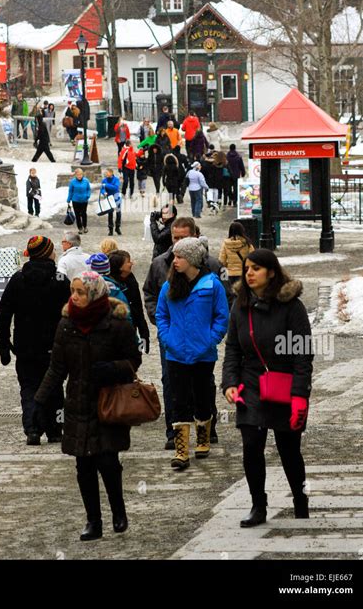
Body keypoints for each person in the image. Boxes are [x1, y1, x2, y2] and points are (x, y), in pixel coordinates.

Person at [34, 270, 141, 540]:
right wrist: (39, 401)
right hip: (78, 403)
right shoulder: (66, 324)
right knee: (84, 466)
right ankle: (93, 521)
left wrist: (112, 369)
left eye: (80, 292)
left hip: (107, 403)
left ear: (94, 294)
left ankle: (119, 511)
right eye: (73, 291)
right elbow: (56, 368)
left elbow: (133, 362)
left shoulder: (117, 324)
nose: (75, 297)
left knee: (108, 461)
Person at [222, 249, 313, 526]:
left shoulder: (291, 307)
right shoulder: (241, 305)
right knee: (251, 445)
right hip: (251, 384)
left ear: (271, 272)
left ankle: (300, 498)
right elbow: (232, 349)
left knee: (288, 450)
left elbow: (303, 355)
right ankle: (258, 505)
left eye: (256, 269)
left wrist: (300, 396)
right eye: (247, 268)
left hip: (284, 384)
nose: (249, 273)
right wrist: (229, 383)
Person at [143, 217, 223, 449]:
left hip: (201, 339)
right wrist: (164, 329)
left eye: (183, 238)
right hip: (172, 339)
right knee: (171, 382)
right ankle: (174, 434)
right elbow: (150, 294)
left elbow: (225, 301)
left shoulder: (212, 264)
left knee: (203, 383)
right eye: (174, 238)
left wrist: (211, 334)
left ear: (195, 236)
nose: (177, 243)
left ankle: (207, 430)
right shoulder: (160, 264)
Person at [156, 237, 229, 470]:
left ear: (193, 260)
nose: (174, 261)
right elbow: (161, 316)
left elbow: (222, 317)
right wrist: (168, 340)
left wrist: (211, 339)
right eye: (174, 256)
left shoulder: (212, 285)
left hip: (203, 354)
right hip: (176, 354)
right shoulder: (169, 286)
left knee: (202, 397)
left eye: (179, 257)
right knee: (179, 400)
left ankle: (203, 440)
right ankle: (181, 452)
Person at [0, 236, 70, 445]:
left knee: (29, 388)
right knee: (54, 388)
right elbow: (71, 314)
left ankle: (33, 429)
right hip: (53, 347)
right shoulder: (59, 281)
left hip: (25, 347)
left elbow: (4, 314)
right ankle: (55, 430)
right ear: (47, 253)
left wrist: (3, 344)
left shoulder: (18, 279)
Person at [108, 250, 150, 354]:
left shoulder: (131, 279)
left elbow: (138, 308)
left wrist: (144, 335)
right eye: (128, 261)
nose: (132, 263)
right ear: (119, 266)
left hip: (131, 329)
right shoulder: (109, 285)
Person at [219, 221, 255, 287]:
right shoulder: (247, 243)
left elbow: (221, 261)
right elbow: (254, 259)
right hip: (243, 273)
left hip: (230, 274)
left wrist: (229, 264)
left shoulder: (225, 244)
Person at [66, 167, 91, 234]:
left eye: (81, 174)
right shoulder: (73, 182)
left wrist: (88, 195)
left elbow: (88, 189)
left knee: (83, 214)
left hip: (84, 200)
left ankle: (85, 227)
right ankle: (80, 228)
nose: (79, 176)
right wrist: (69, 199)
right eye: (78, 175)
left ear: (82, 174)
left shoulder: (86, 181)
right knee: (77, 215)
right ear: (75, 175)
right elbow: (70, 191)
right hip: (75, 200)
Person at [100, 167, 122, 236]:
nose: (106, 174)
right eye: (105, 173)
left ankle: (117, 228)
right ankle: (110, 229)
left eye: (107, 172)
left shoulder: (116, 180)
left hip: (116, 198)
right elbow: (102, 189)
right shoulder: (104, 180)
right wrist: (104, 192)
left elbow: (115, 187)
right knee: (110, 214)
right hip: (109, 198)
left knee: (118, 213)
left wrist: (106, 185)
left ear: (111, 173)